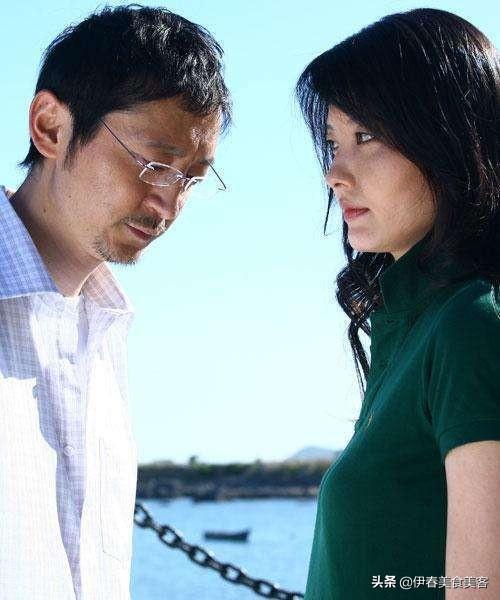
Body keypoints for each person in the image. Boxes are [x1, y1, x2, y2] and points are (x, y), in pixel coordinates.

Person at [0, 5, 230, 599]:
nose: (167, 204)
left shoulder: (106, 329)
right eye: (154, 164)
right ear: (50, 127)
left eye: (191, 177)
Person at [295, 8, 499, 599]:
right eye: (332, 143)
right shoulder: (411, 325)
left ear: (448, 139)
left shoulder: (471, 324)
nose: (335, 172)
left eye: (366, 137)